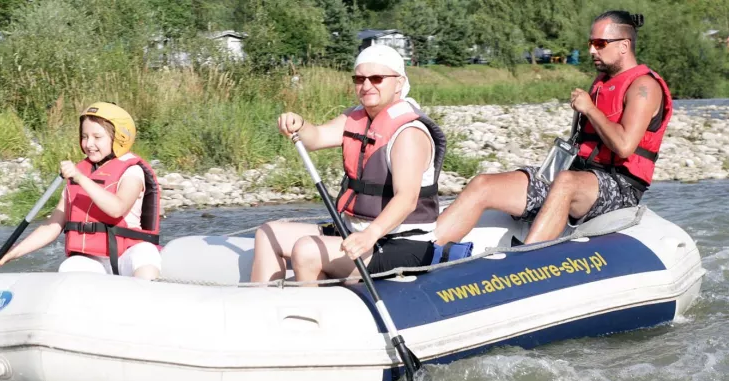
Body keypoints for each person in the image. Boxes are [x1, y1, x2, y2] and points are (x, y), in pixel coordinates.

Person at [434, 11, 672, 246]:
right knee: (483, 184)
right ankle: (426, 251)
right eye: (591, 43)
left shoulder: (644, 86)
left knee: (566, 182)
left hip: (621, 186)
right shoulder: (603, 82)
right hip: (578, 175)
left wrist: (590, 109)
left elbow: (624, 146)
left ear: (624, 45)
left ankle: (523, 265)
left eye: (600, 43)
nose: (591, 50)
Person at [250, 45, 447, 284]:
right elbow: (317, 138)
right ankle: (263, 305)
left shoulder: (409, 133)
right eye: (359, 78)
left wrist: (369, 235)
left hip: (402, 243)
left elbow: (406, 199)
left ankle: (309, 316)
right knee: (268, 233)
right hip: (356, 231)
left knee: (306, 250)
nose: (366, 86)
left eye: (377, 78)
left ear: (399, 82)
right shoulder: (356, 118)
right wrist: (300, 124)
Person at [0, 102, 162, 279]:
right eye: (84, 136)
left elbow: (117, 208)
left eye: (97, 137)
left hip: (128, 256)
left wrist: (80, 178)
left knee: (145, 252)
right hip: (94, 261)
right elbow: (52, 227)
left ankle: (147, 294)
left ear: (119, 138)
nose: (88, 144)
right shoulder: (80, 174)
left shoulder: (132, 171)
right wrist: (11, 253)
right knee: (71, 265)